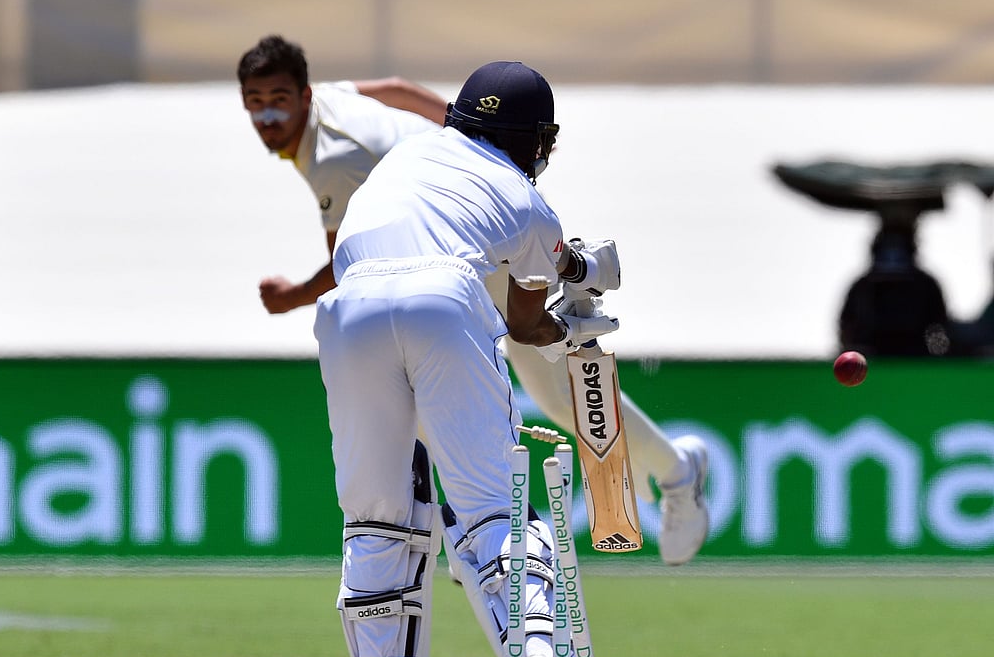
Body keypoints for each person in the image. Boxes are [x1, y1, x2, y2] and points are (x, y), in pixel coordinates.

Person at [238, 35, 711, 569]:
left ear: (302, 94)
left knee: (511, 391)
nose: (267, 115)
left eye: (277, 99)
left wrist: (292, 296)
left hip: (462, 248)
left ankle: (662, 476)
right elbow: (395, 90)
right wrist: (466, 136)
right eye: (254, 103)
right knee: (489, 394)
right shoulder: (333, 98)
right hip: (469, 232)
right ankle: (665, 472)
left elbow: (354, 271)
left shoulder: (335, 159)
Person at [315, 58, 624, 657]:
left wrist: (543, 322)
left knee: (375, 519)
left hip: (350, 307)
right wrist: (574, 311)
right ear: (535, 139)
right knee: (491, 511)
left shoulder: (410, 152)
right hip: (444, 297)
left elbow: (522, 320)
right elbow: (531, 313)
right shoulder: (524, 198)